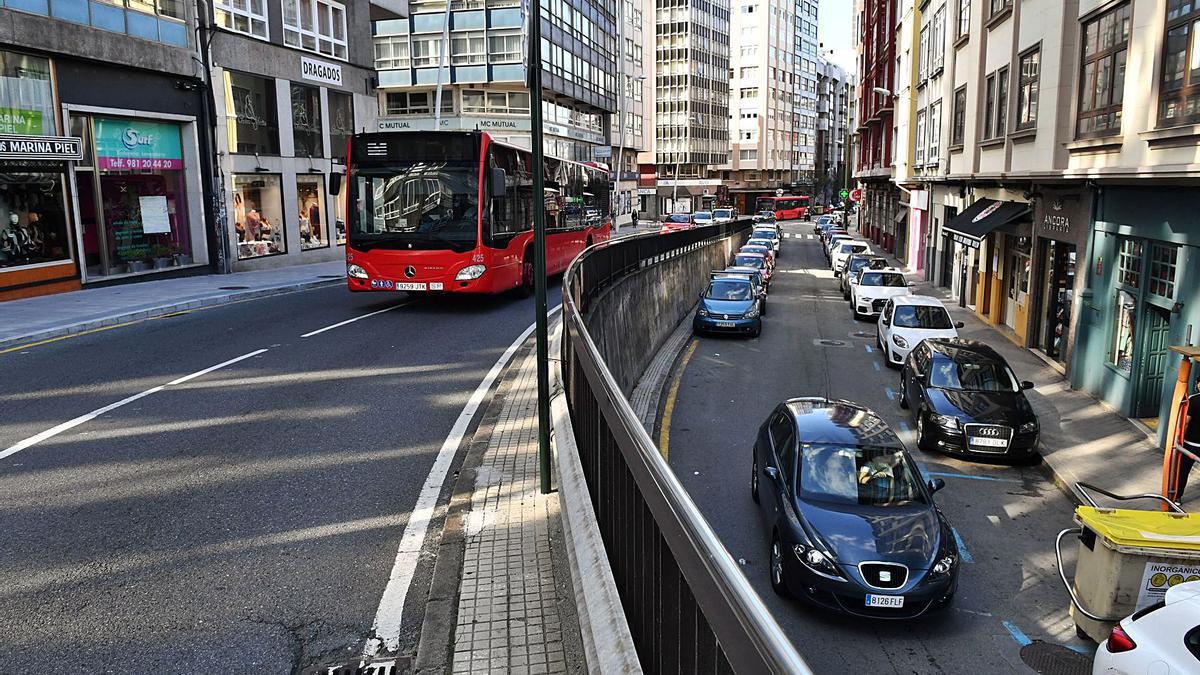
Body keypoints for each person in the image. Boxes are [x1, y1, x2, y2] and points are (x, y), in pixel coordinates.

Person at [1178, 379, 1200, 497]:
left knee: (1183, 471)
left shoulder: (1193, 400)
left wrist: (1179, 438)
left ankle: (1177, 498)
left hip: (1191, 443)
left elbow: (1186, 422)